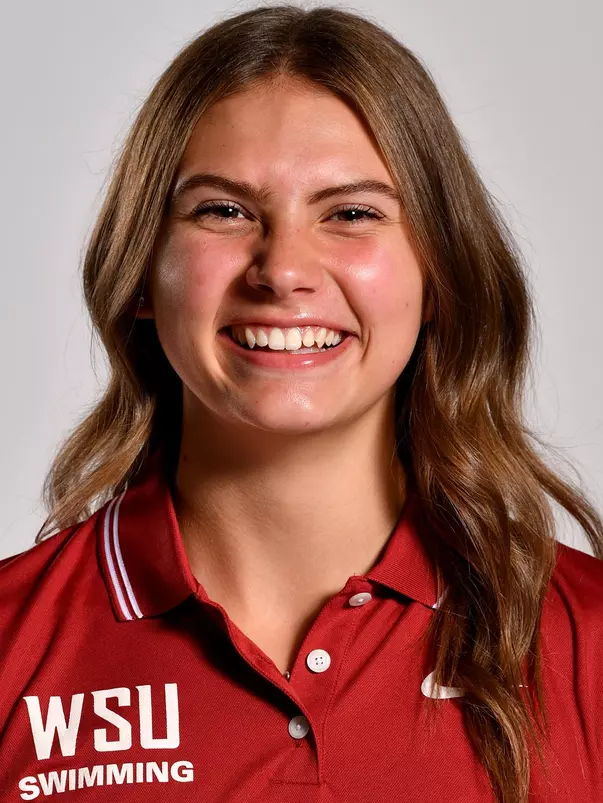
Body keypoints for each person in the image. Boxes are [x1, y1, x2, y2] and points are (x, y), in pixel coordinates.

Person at [1, 4, 602, 802]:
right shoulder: (12, 645)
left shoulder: (586, 642)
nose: (283, 270)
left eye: (351, 213)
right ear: (142, 270)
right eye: (223, 210)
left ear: (439, 278)